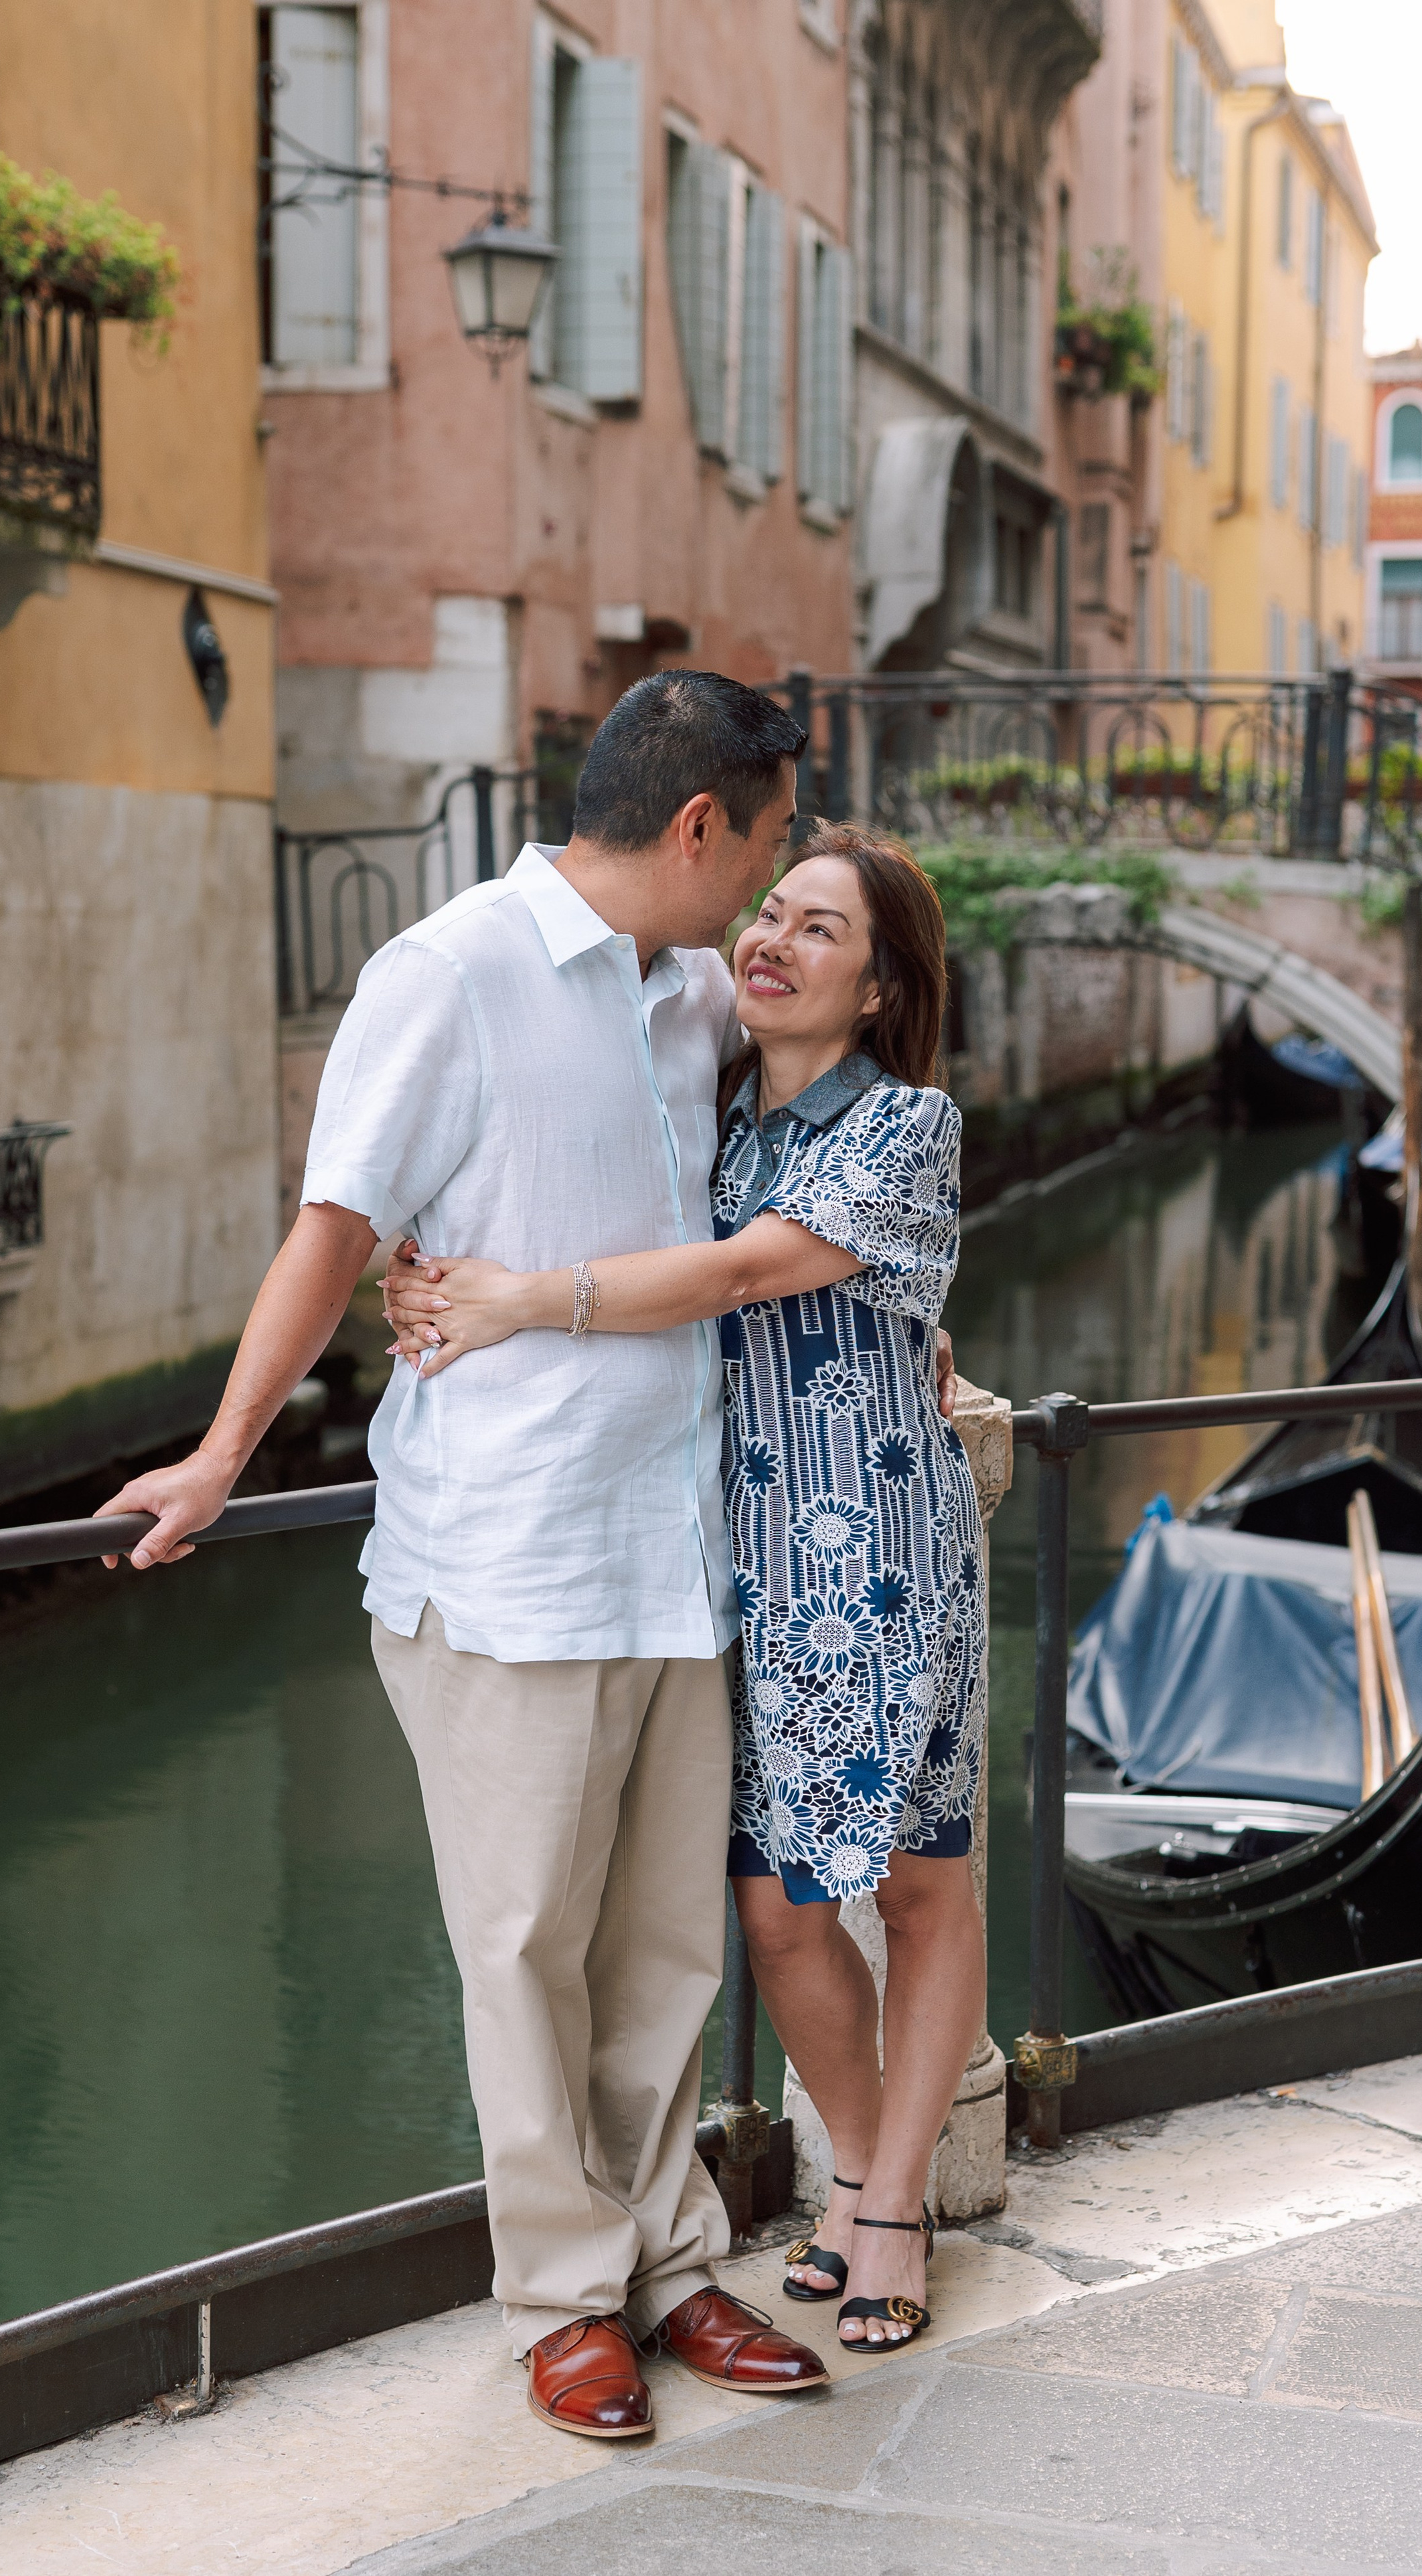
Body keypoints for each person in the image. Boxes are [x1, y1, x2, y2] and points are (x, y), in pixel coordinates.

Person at [93, 672, 837, 2441]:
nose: (769, 881)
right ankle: (564, 2299)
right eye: (772, 841)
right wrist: (217, 1459)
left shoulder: (684, 996)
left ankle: (670, 2268)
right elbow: (338, 1230)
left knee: (663, 1949)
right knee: (523, 1947)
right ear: (699, 828)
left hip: (676, 1548)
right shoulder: (448, 974)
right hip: (507, 1557)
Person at [384, 823, 985, 2354]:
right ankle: (857, 2165)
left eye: (817, 932)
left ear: (878, 989)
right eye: (768, 913)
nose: (769, 939)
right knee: (777, 1917)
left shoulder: (905, 1124)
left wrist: (517, 1303)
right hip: (733, 1565)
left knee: (916, 1890)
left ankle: (893, 2204)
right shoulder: (714, 1109)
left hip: (880, 1559)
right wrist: (430, 1260)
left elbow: (731, 1277)